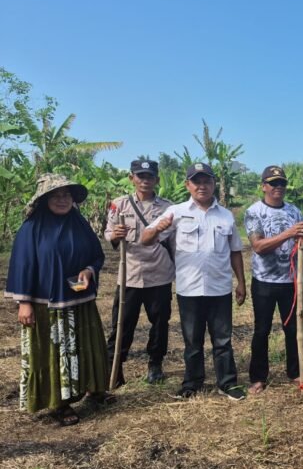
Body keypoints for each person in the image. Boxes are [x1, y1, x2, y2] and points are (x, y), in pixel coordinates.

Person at [5, 174, 112, 426]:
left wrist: (88, 270)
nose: (62, 200)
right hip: (47, 304)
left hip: (80, 299)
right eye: (56, 195)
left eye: (66, 195)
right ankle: (59, 403)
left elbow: (96, 255)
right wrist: (25, 302)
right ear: (43, 199)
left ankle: (93, 389)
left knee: (87, 345)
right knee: (54, 352)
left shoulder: (80, 223)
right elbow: (22, 264)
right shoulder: (32, 228)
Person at [141, 162, 247, 400]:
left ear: (214, 184)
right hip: (189, 288)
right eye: (196, 181)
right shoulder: (176, 212)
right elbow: (145, 239)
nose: (202, 186)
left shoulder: (226, 216)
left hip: (220, 287)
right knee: (192, 341)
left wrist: (241, 282)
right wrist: (159, 227)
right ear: (187, 185)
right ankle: (192, 383)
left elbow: (235, 251)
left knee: (222, 340)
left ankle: (227, 383)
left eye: (207, 181)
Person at [104, 159, 174, 386]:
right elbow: (108, 234)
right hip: (129, 276)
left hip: (159, 275)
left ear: (157, 179)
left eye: (150, 177)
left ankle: (155, 364)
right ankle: (115, 367)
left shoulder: (168, 208)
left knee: (160, 324)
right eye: (140, 176)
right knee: (122, 324)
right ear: (131, 178)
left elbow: (174, 242)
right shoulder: (119, 205)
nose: (145, 181)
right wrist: (115, 234)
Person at [244, 165, 303, 395]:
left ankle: (294, 372)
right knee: (262, 330)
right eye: (273, 183)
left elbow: (302, 243)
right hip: (264, 281)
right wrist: (289, 234)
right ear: (263, 186)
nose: (278, 187)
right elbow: (258, 246)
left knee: (292, 329)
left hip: (290, 281)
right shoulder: (254, 212)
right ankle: (258, 377)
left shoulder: (295, 212)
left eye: (282, 183)